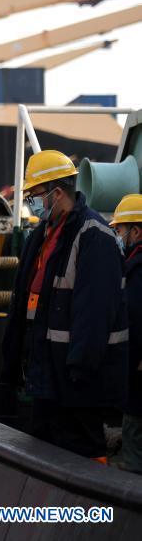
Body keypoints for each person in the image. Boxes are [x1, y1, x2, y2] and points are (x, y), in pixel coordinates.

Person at [0, 150, 128, 461]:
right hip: (45, 370)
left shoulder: (94, 236)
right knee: (45, 450)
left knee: (82, 448)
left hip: (76, 378)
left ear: (57, 194)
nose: (32, 203)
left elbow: (95, 312)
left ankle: (94, 509)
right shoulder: (41, 236)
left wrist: (80, 368)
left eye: (35, 195)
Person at [112, 194, 142, 473]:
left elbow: (135, 320)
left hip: (138, 383)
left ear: (136, 231)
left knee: (134, 455)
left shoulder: (137, 269)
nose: (117, 236)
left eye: (119, 230)